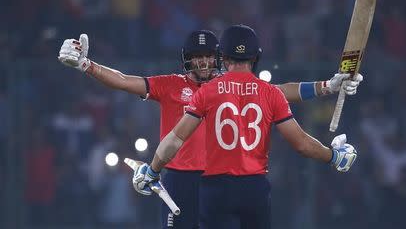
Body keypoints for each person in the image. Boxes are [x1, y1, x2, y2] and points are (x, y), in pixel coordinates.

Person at [58, 29, 362, 228]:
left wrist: (325, 87)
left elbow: (281, 90)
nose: (202, 62)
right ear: (187, 60)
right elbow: (124, 81)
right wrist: (88, 65)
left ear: (220, 58)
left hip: (214, 179)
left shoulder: (219, 87)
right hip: (182, 178)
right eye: (196, 57)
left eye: (207, 56)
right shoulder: (172, 85)